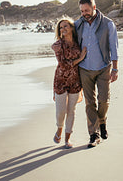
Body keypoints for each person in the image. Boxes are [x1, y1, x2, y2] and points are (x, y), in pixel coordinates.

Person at [75, 0, 119, 148]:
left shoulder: (108, 24)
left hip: (103, 67)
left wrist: (115, 68)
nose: (84, 13)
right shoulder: (77, 24)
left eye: (87, 10)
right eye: (81, 11)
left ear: (94, 8)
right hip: (84, 69)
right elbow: (68, 41)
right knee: (89, 103)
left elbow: (114, 47)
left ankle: (102, 122)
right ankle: (94, 134)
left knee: (104, 100)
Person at [52, 17, 87, 149]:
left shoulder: (78, 42)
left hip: (75, 80)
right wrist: (81, 58)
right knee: (61, 111)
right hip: (61, 80)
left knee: (71, 110)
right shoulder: (58, 45)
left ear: (72, 28)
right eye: (61, 27)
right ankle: (59, 129)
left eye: (66, 26)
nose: (63, 29)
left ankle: (67, 139)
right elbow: (64, 65)